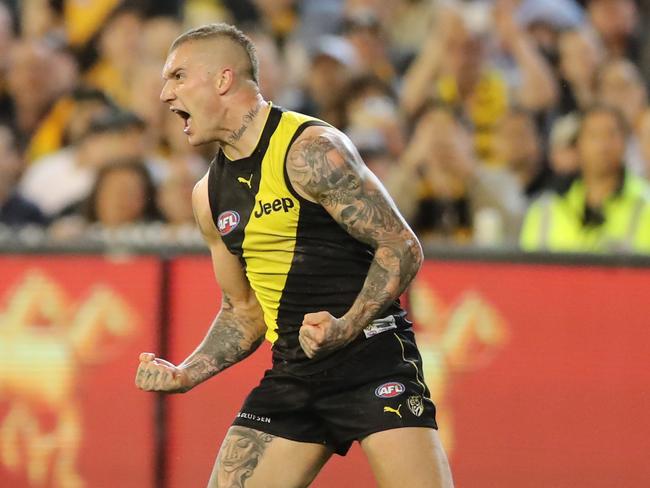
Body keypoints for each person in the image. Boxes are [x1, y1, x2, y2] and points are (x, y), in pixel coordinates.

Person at [135, 23, 453, 488]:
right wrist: (186, 373)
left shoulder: (311, 150)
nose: (165, 94)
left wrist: (346, 325)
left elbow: (400, 246)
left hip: (373, 364)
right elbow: (244, 312)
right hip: (295, 375)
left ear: (223, 79)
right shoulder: (208, 196)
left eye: (178, 76)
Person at [520, 104, 650, 253]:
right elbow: (526, 271)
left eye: (611, 134)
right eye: (593, 136)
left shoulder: (646, 204)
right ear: (578, 144)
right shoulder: (545, 208)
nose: (603, 145)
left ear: (625, 142)